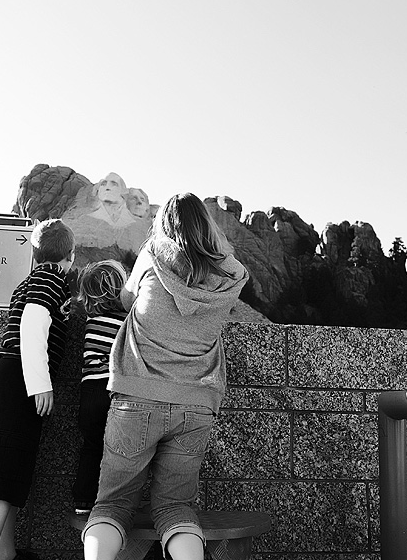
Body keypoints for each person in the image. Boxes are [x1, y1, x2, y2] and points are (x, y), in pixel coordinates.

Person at [82, 193, 249, 560]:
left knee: (112, 507)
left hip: (136, 396)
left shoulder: (152, 256)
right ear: (206, 224)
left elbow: (128, 301)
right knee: (176, 509)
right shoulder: (232, 275)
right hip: (197, 404)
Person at [0, 219, 75, 560]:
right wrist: (40, 383)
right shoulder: (50, 278)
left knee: (12, 464)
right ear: (70, 257)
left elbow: (37, 312)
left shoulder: (32, 280)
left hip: (11, 375)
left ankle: (6, 554)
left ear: (33, 253)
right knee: (5, 467)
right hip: (21, 376)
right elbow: (33, 320)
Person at [69, 260, 129, 515]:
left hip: (89, 392)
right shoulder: (126, 322)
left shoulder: (91, 319)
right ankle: (110, 502)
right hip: (113, 390)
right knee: (116, 450)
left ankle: (83, 500)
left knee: (91, 447)